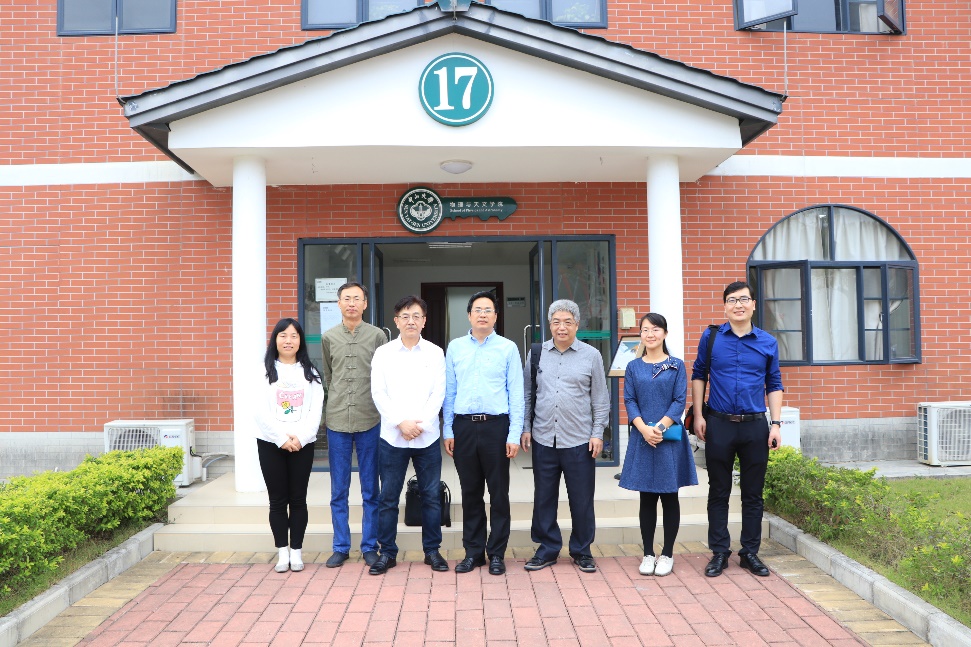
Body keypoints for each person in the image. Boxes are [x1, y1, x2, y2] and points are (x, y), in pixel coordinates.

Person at [691, 281, 784, 578]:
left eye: (744, 299)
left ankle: (750, 553)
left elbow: (774, 383)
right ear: (725, 306)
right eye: (732, 300)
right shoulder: (711, 337)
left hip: (755, 426)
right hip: (719, 424)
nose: (738, 305)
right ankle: (719, 551)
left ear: (753, 304)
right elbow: (699, 374)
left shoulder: (767, 342)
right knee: (718, 491)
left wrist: (776, 424)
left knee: (753, 494)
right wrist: (698, 415)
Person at [521, 299, 610, 574]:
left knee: (581, 500)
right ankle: (547, 548)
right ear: (549, 325)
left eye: (568, 322)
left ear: (577, 325)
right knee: (544, 498)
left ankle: (582, 550)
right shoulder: (537, 353)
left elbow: (600, 399)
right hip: (544, 438)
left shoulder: (591, 355)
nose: (562, 327)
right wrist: (525, 427)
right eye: (556, 322)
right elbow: (527, 394)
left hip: (579, 440)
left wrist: (598, 433)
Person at [443, 291, 524, 575]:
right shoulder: (455, 348)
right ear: (469, 315)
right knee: (470, 493)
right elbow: (449, 392)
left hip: (496, 427)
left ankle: (497, 553)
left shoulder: (507, 348)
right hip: (464, 427)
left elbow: (516, 394)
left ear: (495, 316)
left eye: (488, 310)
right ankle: (473, 553)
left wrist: (514, 434)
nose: (482, 314)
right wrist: (448, 429)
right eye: (477, 310)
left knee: (499, 493)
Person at [368, 295, 448, 575]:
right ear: (396, 321)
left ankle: (432, 551)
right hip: (393, 437)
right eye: (405, 316)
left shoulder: (435, 353)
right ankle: (387, 553)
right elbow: (378, 393)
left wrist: (420, 425)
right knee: (388, 498)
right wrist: (401, 423)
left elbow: (439, 393)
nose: (410, 321)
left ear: (424, 321)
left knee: (431, 496)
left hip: (427, 438)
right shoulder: (383, 353)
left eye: (416, 316)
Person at [619, 313, 698, 577]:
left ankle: (667, 554)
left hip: (668, 439)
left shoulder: (676, 365)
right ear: (640, 334)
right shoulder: (633, 367)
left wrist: (659, 428)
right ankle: (648, 553)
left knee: (669, 496)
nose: (650, 334)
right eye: (645, 330)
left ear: (664, 333)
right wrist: (644, 429)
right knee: (647, 497)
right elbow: (630, 400)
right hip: (643, 438)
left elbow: (679, 401)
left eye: (655, 329)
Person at [321, 281, 387, 568]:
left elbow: (383, 376)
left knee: (371, 488)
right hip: (337, 420)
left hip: (369, 419)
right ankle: (341, 546)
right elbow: (328, 376)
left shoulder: (377, 336)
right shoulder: (328, 337)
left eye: (356, 298)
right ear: (338, 304)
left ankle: (370, 545)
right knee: (339, 489)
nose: (351, 303)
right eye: (346, 298)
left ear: (365, 304)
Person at [253, 318, 324, 573]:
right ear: (275, 340)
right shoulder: (263, 371)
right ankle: (282, 552)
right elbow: (260, 411)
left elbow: (316, 411)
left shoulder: (311, 373)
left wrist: (300, 438)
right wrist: (281, 438)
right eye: (283, 335)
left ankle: (297, 551)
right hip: (270, 443)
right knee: (277, 500)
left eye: (294, 336)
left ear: (300, 341)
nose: (288, 340)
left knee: (298, 500)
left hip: (302, 444)